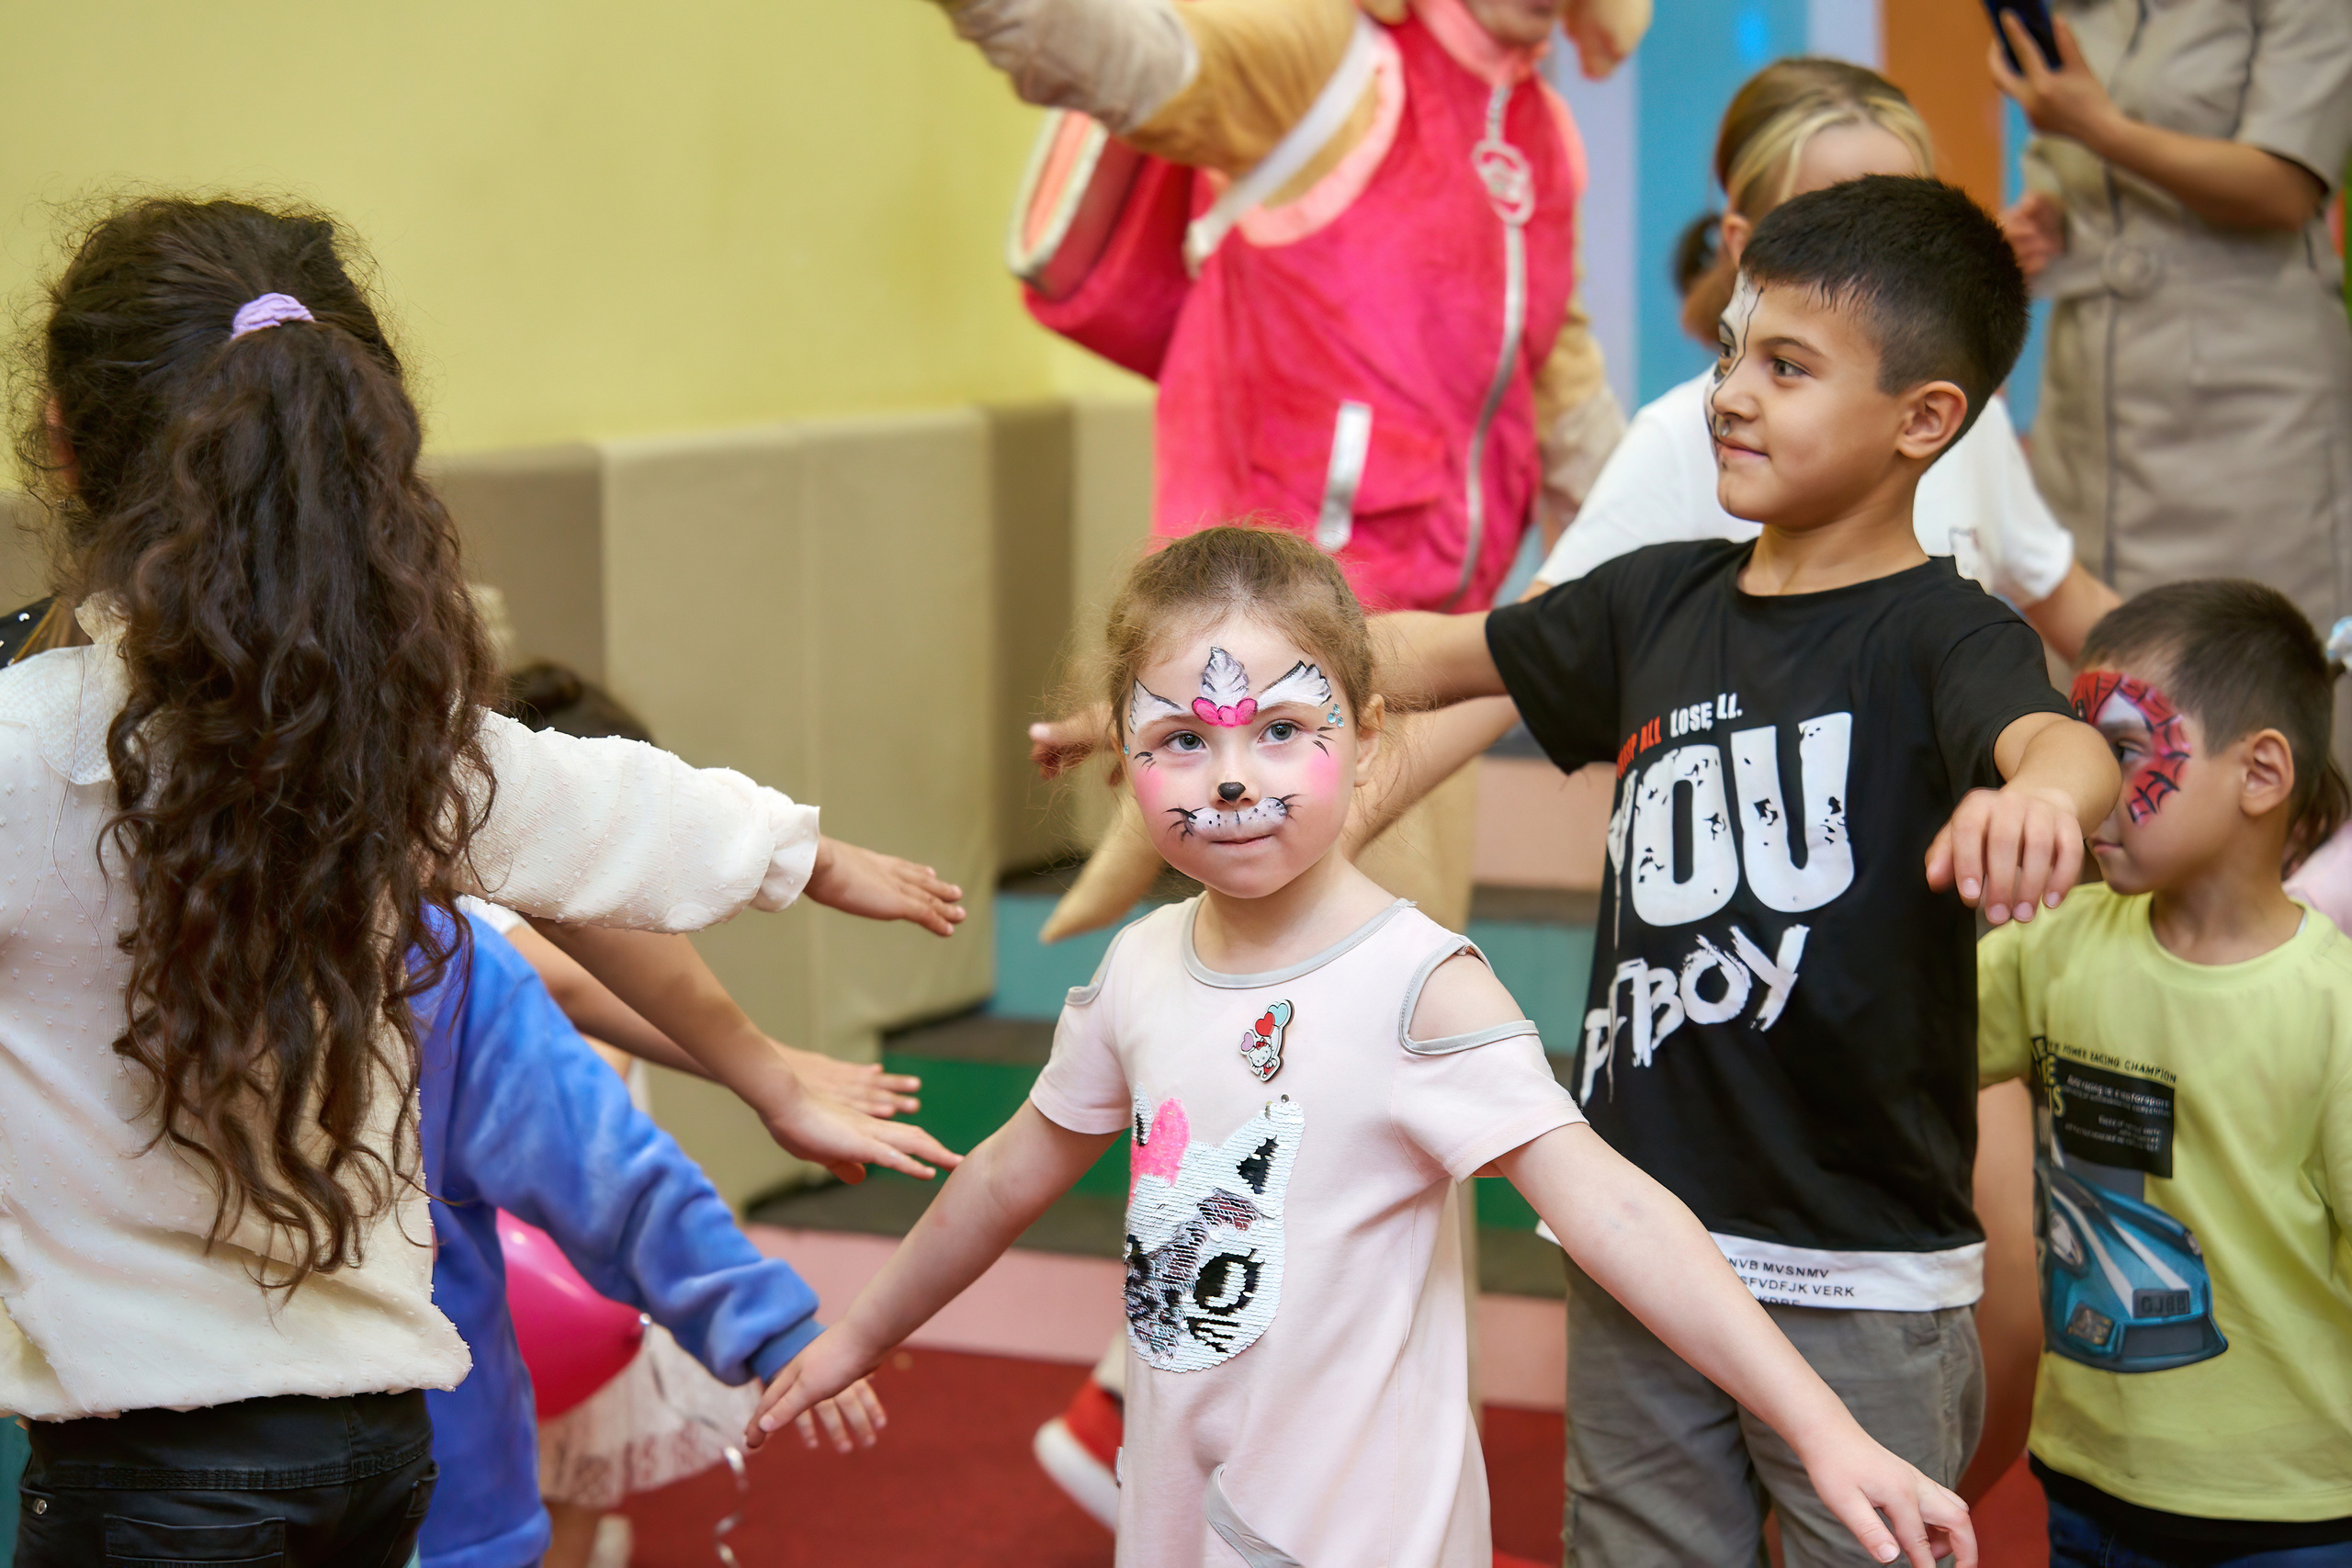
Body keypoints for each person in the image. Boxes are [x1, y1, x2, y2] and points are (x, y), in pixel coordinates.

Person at [2, 196, 960, 1564]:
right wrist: (798, 854)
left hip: (154, 1472)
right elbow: (586, 797)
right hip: (377, 1448)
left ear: (62, 442)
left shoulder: (30, 749)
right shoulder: (377, 751)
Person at [747, 525, 1976, 1568]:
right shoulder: (1139, 970)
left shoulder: (1417, 985)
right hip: (1185, 1521)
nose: (1233, 775)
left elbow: (1618, 1209)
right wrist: (858, 1327)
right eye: (1183, 740)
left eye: (1283, 727)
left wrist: (1826, 1428)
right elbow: (1010, 1172)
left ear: (1369, 728)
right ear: (1123, 756)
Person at [1367, 176, 2121, 1562]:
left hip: (1862, 1267)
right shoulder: (1656, 600)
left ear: (1924, 421)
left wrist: (2042, 803)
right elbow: (1425, 652)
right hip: (1646, 1232)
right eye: (1730, 351)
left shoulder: (1942, 633)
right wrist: (1220, 664)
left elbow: (2056, 745)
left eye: (1787, 366)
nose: (1731, 393)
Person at [939, 0, 1646, 946]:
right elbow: (1113, 52)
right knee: (1342, 997)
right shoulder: (1333, 57)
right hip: (1281, 639)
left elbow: (1562, 384)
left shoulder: (1540, 131)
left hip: (1438, 651)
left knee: (1401, 986)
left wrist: (1649, 580)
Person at [1978, 581, 2352, 1564]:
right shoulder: (2050, 944)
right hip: (2084, 1482)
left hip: (2290, 1517)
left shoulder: (2335, 1011)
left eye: (2123, 753)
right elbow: (1899, 1043)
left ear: (2260, 773)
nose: (2090, 789)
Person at [1545, 55, 2118, 659]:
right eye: (1833, 231)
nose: (1877, 269)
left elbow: (2082, 615)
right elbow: (1525, 657)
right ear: (1744, 249)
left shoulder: (1969, 427)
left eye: (1903, 229)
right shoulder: (1679, 439)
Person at [417, 905, 893, 1568]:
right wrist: (771, 1327)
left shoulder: (438, 954)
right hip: (436, 1465)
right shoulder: (436, 954)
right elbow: (607, 1171)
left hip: (335, 1450)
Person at [1990, 2, 2352, 637]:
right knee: (2088, 669)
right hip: (2087, 393)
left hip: (2249, 400)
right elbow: (2061, 164)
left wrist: (2101, 128)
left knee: (2247, 672)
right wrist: (2043, 219)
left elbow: (2285, 186)